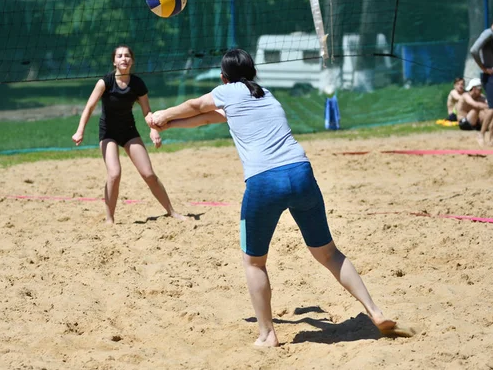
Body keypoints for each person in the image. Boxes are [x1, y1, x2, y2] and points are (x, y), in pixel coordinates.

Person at [146, 48, 414, 346]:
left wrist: (162, 114)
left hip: (265, 182)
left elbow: (196, 106)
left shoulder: (227, 91)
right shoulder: (263, 93)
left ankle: (267, 334)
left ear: (224, 78)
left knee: (254, 263)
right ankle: (375, 312)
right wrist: (167, 125)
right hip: (300, 173)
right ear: (253, 73)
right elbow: (208, 118)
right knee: (329, 254)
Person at [72, 45, 184, 224]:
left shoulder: (138, 84)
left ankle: (171, 212)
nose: (123, 58)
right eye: (119, 56)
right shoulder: (105, 82)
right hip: (108, 132)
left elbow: (147, 111)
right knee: (114, 174)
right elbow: (89, 107)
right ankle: (109, 219)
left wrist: (153, 129)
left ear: (132, 61)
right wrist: (80, 130)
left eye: (127, 56)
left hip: (129, 131)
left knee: (149, 174)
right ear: (114, 61)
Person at [470, 12, 493, 146]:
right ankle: (481, 134)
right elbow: (474, 50)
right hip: (490, 76)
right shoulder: (488, 34)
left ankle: (492, 139)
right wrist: (483, 68)